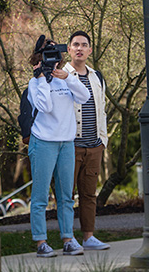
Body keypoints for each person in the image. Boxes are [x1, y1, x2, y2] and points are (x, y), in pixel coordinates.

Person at [26, 36, 90, 257]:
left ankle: (68, 239)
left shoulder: (65, 79)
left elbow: (84, 96)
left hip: (66, 143)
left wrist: (69, 78)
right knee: (41, 195)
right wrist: (42, 78)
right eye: (48, 53)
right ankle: (41, 242)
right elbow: (44, 106)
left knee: (66, 196)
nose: (54, 58)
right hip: (43, 142)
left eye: (56, 53)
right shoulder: (34, 83)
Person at [65, 30, 110, 250]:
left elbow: (102, 111)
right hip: (70, 147)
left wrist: (103, 140)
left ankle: (88, 236)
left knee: (89, 194)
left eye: (84, 45)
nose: (80, 48)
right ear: (69, 49)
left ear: (90, 50)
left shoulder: (96, 76)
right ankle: (68, 237)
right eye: (76, 44)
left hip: (94, 147)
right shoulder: (60, 75)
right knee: (66, 194)